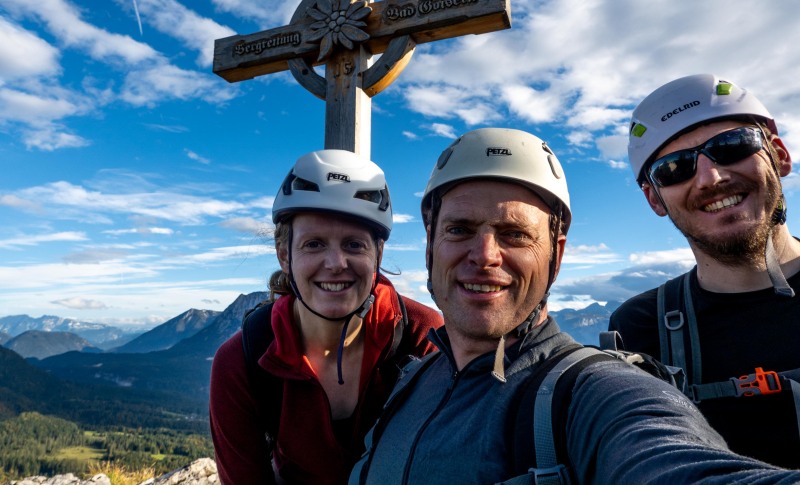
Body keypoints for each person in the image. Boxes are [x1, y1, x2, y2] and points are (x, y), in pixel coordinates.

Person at [349, 127, 800, 484]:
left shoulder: (591, 394)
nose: (484, 254)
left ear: (556, 255)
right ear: (430, 244)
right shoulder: (412, 380)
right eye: (459, 230)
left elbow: (668, 457)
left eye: (514, 234)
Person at [209, 149, 443, 485]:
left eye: (353, 245)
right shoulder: (242, 362)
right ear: (284, 255)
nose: (335, 263)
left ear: (378, 253)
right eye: (314, 244)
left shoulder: (424, 337)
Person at [609, 73, 800, 468]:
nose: (710, 177)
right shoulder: (641, 329)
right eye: (674, 168)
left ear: (779, 155)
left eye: (731, 146)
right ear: (655, 199)